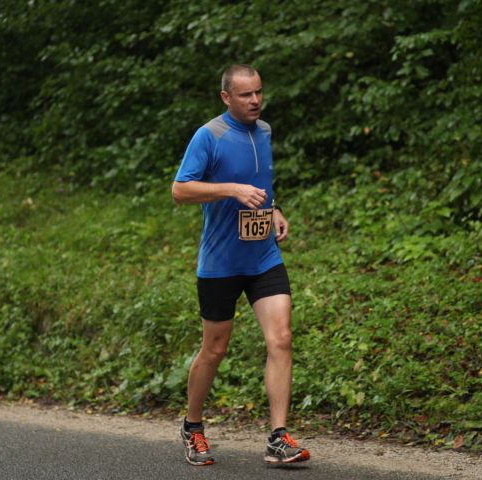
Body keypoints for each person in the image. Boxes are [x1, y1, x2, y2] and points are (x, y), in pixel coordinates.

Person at [172, 64, 310, 466]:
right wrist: (229, 190)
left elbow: (261, 182)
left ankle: (278, 437)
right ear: (226, 98)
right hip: (220, 262)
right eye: (246, 95)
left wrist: (275, 208)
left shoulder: (264, 131)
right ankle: (192, 425)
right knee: (214, 350)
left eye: (259, 93)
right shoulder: (208, 135)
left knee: (281, 337)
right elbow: (180, 190)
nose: (255, 101)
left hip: (262, 255)